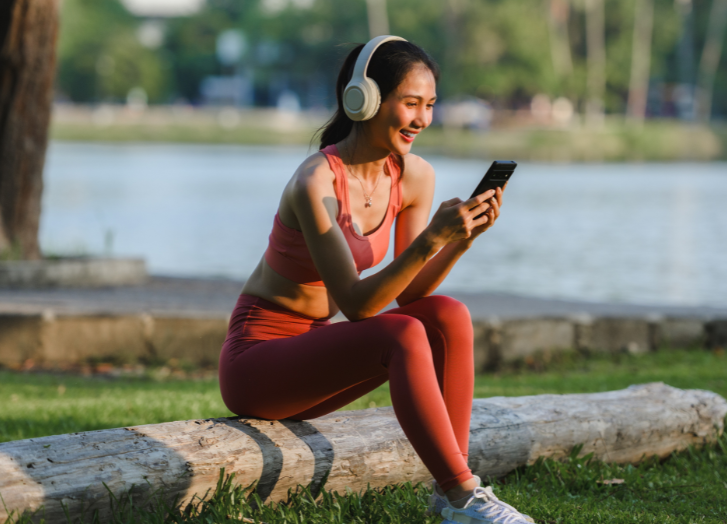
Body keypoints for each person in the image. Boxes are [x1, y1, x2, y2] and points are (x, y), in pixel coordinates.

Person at [218, 36, 533, 524]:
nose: (422, 119)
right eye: (410, 103)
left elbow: (410, 293)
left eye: (429, 105)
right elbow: (359, 306)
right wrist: (431, 239)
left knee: (448, 314)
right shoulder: (315, 183)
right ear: (362, 98)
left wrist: (462, 238)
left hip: (316, 354)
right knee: (400, 332)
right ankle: (464, 495)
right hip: (258, 362)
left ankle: (448, 489)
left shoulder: (413, 176)